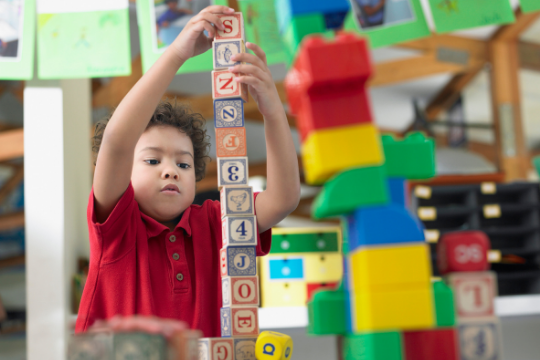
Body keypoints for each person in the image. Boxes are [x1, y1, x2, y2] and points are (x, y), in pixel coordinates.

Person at [75, 5, 300, 337]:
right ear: (125, 171)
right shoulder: (117, 229)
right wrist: (177, 53)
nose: (170, 171)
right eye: (152, 161)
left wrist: (271, 109)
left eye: (183, 164)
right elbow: (117, 141)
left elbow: (283, 199)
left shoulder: (214, 223)